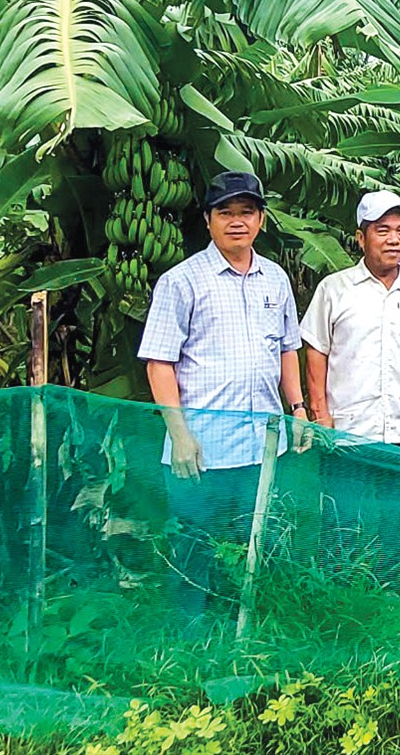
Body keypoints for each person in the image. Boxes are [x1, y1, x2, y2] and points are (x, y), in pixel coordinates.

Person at [138, 171, 308, 620]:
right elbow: (159, 362)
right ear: (209, 221)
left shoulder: (276, 279)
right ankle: (191, 640)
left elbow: (288, 350)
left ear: (261, 219)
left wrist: (299, 410)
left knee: (256, 541)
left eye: (246, 212)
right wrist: (179, 434)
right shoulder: (182, 281)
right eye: (225, 213)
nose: (237, 222)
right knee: (193, 545)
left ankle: (249, 626)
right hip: (201, 446)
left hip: (263, 443)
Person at [300, 190, 400, 449]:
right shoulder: (334, 289)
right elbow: (316, 352)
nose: (394, 240)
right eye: (383, 231)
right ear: (361, 239)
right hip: (348, 431)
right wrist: (319, 411)